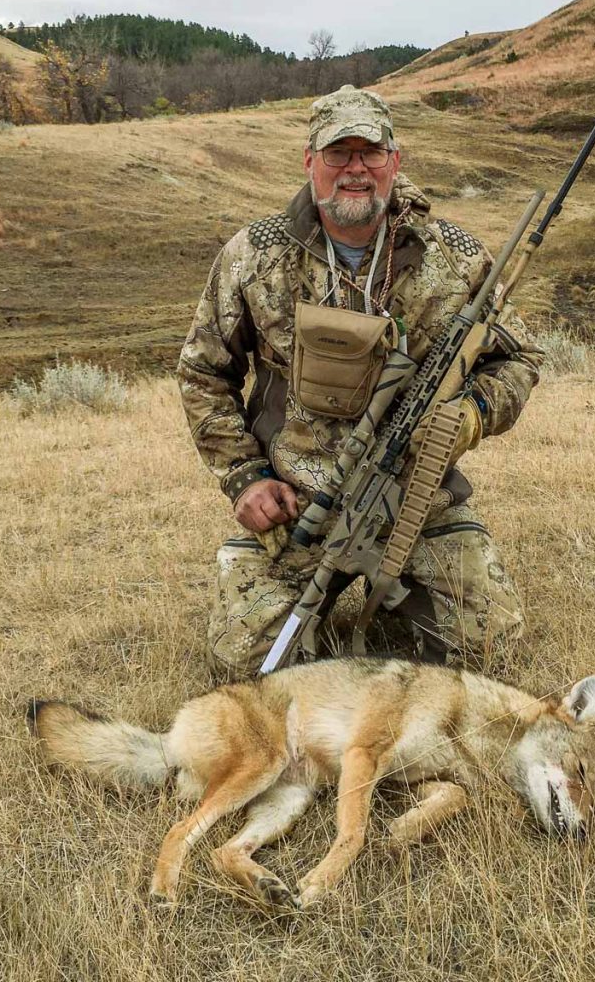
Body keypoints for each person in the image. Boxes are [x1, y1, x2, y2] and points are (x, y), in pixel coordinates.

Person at [177, 84, 543, 680]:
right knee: (248, 662)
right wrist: (245, 479)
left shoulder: (454, 257)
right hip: (300, 508)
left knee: (489, 643)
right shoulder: (254, 256)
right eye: (337, 154)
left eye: (370, 154)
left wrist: (473, 412)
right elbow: (203, 370)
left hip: (415, 504)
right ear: (310, 162)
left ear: (394, 161)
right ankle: (302, 603)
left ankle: (403, 608)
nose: (355, 170)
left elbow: (519, 357)